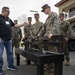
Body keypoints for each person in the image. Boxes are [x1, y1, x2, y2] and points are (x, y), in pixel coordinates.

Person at [0, 6, 26, 75]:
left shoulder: (9, 20)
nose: (9, 13)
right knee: (0, 54)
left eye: (9, 11)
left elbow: (15, 26)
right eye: (8, 11)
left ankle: (10, 65)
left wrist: (23, 24)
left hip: (9, 40)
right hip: (1, 40)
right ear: (3, 11)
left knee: (10, 53)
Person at [38, 4, 60, 73]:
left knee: (52, 55)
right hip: (47, 40)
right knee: (47, 54)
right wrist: (39, 35)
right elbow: (44, 28)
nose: (44, 12)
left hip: (53, 39)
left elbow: (56, 25)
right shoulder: (47, 18)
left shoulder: (54, 15)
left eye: (44, 10)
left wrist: (52, 32)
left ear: (48, 8)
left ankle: (51, 71)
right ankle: (47, 69)